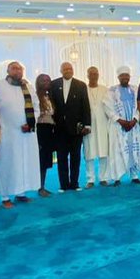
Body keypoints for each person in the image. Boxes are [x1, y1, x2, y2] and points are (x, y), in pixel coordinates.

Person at [0, 61, 42, 207]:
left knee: (24, 162)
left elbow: (36, 108)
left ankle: (21, 193)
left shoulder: (28, 87)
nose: (17, 71)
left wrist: (31, 123)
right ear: (8, 71)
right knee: (7, 163)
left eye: (20, 68)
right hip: (7, 134)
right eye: (14, 68)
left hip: (27, 133)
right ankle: (4, 196)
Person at [50, 62, 91, 191]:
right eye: (65, 69)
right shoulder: (54, 84)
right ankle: (63, 185)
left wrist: (87, 125)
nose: (68, 70)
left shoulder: (81, 85)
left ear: (73, 70)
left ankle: (74, 183)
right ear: (61, 71)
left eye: (70, 68)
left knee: (75, 157)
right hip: (60, 129)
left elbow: (85, 106)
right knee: (61, 158)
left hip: (76, 129)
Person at [106, 66, 140, 185]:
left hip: (133, 126)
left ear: (129, 77)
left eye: (126, 76)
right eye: (122, 76)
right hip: (118, 127)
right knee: (117, 151)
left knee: (134, 150)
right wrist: (121, 121)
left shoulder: (135, 89)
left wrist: (134, 120)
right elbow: (108, 108)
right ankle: (117, 178)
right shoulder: (112, 91)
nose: (125, 78)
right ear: (118, 77)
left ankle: (135, 176)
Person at [83, 66, 112, 187]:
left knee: (103, 151)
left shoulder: (105, 89)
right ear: (87, 75)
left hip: (103, 124)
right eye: (91, 74)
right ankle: (90, 179)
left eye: (96, 74)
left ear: (98, 75)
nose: (94, 76)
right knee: (89, 152)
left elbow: (110, 107)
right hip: (88, 126)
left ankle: (103, 178)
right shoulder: (83, 89)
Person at [34, 73, 56, 196]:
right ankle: (39, 187)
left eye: (48, 80)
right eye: (43, 80)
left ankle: (42, 186)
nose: (46, 82)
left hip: (49, 130)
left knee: (46, 159)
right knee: (41, 159)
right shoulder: (35, 97)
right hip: (40, 130)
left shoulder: (49, 97)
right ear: (38, 82)